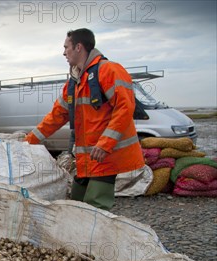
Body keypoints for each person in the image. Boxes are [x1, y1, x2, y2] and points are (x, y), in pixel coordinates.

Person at [25, 28, 144, 210]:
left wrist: (105, 144)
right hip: (86, 160)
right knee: (76, 204)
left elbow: (125, 108)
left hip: (106, 157)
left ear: (78, 47)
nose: (64, 52)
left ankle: (96, 238)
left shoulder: (109, 70)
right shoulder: (74, 83)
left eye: (66, 47)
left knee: (95, 207)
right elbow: (56, 116)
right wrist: (27, 142)